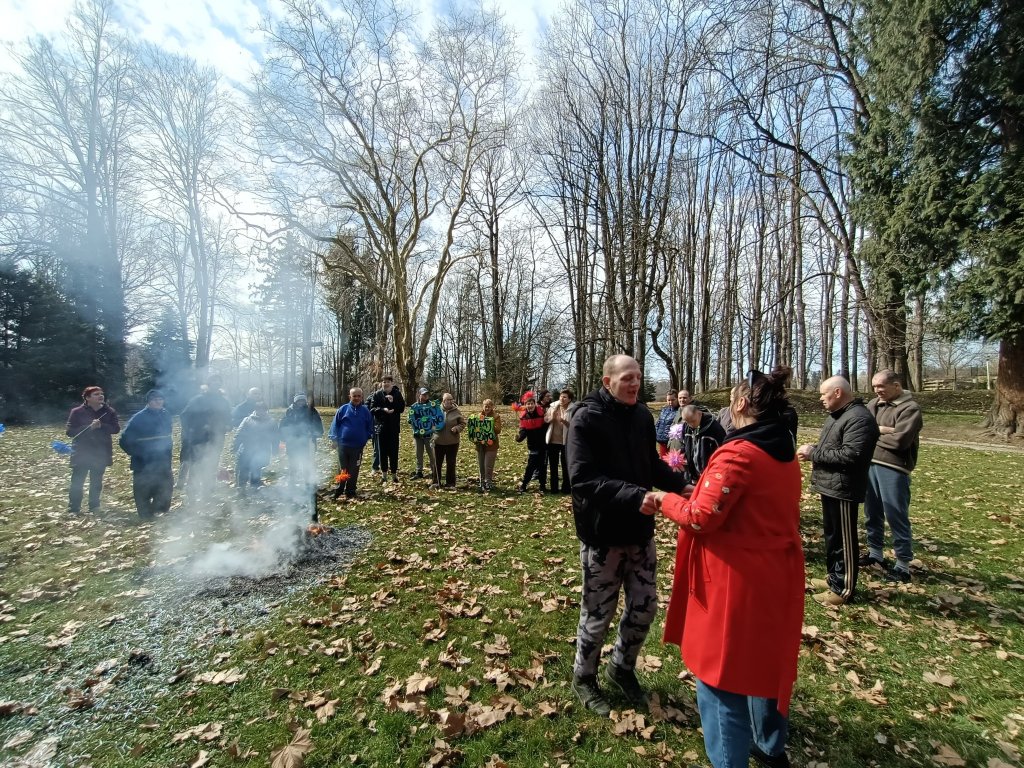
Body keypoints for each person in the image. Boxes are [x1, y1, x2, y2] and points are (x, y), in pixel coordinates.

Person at [650, 367, 804, 768]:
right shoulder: (782, 450)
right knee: (762, 662)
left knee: (719, 677)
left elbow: (701, 517)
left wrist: (664, 500)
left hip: (735, 579)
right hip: (774, 573)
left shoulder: (739, 453)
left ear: (741, 404)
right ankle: (770, 746)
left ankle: (728, 760)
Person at [565, 355, 687, 715]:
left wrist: (680, 485)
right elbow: (582, 479)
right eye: (626, 378)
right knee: (598, 613)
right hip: (603, 534)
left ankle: (621, 667)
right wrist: (635, 496)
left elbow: (650, 464)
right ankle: (584, 677)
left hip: (639, 531)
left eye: (638, 377)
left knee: (645, 606)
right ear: (607, 382)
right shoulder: (586, 417)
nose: (635, 384)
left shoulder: (642, 416)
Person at [797, 375, 879, 607]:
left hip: (843, 487)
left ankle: (843, 588)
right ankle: (833, 577)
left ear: (838, 393)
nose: (821, 398)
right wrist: (815, 449)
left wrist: (813, 453)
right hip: (830, 485)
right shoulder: (838, 416)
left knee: (844, 540)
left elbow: (851, 455)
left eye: (824, 394)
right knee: (833, 537)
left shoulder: (859, 418)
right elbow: (832, 447)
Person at [863, 370, 924, 583]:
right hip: (869, 464)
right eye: (874, 386)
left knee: (895, 514)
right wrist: (883, 430)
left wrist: (874, 433)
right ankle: (875, 554)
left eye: (881, 386)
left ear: (896, 386)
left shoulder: (910, 408)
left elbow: (900, 442)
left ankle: (903, 564)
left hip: (894, 467)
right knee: (872, 512)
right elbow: (862, 430)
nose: (877, 390)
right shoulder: (873, 404)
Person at [65, 386, 120, 515]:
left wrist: (102, 426)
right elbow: (70, 432)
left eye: (101, 393)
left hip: (100, 451)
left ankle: (94, 506)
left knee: (96, 481)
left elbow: (116, 429)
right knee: (77, 481)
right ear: (87, 398)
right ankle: (74, 508)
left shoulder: (109, 411)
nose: (101, 396)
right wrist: (88, 427)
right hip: (82, 452)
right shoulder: (77, 412)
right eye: (96, 394)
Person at [119, 390, 174, 520]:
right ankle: (145, 516)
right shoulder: (138, 418)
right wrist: (139, 453)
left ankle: (160, 512)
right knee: (143, 489)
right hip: (143, 462)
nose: (158, 402)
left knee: (165, 486)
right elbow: (124, 440)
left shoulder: (166, 415)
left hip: (163, 460)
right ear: (148, 402)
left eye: (160, 399)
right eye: (155, 399)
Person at [179, 375, 232, 499]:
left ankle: (207, 492)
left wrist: (228, 425)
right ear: (208, 384)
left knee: (212, 465)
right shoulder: (198, 400)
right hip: (199, 440)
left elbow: (228, 418)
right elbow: (184, 416)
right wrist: (193, 430)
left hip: (216, 440)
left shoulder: (223, 401)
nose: (216, 383)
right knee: (196, 466)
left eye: (218, 381)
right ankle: (192, 494)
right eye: (213, 381)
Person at [328, 387, 375, 500]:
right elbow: (335, 425)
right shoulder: (343, 409)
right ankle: (339, 489)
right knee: (343, 468)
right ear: (350, 397)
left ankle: (350, 490)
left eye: (359, 396)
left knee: (354, 469)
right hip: (343, 445)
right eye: (354, 396)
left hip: (357, 447)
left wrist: (366, 436)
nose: (357, 398)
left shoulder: (365, 411)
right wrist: (334, 439)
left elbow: (370, 426)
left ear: (362, 397)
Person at [279, 393, 325, 488]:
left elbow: (318, 425)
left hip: (308, 443)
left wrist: (314, 433)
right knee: (293, 464)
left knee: (307, 464)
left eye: (302, 401)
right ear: (295, 401)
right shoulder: (290, 411)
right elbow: (283, 425)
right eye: (298, 401)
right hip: (292, 443)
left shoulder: (311, 411)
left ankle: (309, 484)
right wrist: (285, 437)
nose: (301, 403)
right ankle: (292, 484)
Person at [233, 402, 279, 493]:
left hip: (262, 449)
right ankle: (241, 487)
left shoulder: (271, 422)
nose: (261, 411)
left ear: (266, 410)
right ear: (255, 410)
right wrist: (236, 445)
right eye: (259, 409)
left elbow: (275, 437)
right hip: (247, 449)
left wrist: (275, 448)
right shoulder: (247, 420)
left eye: (263, 409)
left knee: (256, 467)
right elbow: (239, 433)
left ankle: (254, 486)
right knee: (244, 468)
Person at [678, 404, 727, 486]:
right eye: (687, 421)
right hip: (692, 474)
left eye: (693, 421)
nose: (690, 424)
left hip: (709, 473)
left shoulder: (715, 428)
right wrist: (682, 453)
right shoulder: (686, 427)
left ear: (699, 414)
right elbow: (684, 444)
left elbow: (722, 451)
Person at [368, 375, 405, 482]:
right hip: (381, 428)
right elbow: (372, 409)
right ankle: (384, 475)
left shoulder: (397, 394)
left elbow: (401, 408)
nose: (386, 384)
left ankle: (394, 474)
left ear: (392, 383)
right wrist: (382, 409)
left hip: (393, 428)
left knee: (394, 452)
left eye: (388, 382)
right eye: (384, 382)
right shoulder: (377, 394)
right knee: (382, 452)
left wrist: (393, 402)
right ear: (381, 383)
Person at [514, 391, 547, 493]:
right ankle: (524, 484)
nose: (530, 406)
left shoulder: (541, 414)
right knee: (530, 466)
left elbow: (546, 427)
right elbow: (523, 432)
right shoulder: (524, 417)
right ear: (525, 405)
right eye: (528, 404)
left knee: (542, 466)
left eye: (532, 403)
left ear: (534, 404)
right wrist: (519, 438)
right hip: (532, 445)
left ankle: (542, 485)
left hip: (543, 445)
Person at [407, 388, 443, 479]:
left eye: (427, 394)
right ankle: (419, 472)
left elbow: (438, 417)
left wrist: (434, 428)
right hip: (418, 435)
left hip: (429, 435)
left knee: (432, 454)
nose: (425, 396)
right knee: (418, 454)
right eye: (423, 394)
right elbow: (410, 418)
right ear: (419, 395)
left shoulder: (432, 405)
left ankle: (434, 472)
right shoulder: (414, 407)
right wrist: (412, 420)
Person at [431, 393, 466, 488]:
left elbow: (462, 423)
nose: (450, 401)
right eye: (448, 399)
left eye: (451, 399)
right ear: (443, 401)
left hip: (452, 442)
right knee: (437, 463)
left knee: (451, 463)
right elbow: (431, 422)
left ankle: (450, 483)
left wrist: (457, 428)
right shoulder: (436, 410)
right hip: (438, 442)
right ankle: (436, 482)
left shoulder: (456, 411)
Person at [468, 398, 502, 491]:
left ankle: (488, 481)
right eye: (485, 406)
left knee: (488, 465)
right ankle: (482, 481)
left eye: (489, 406)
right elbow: (475, 428)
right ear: (482, 406)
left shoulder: (496, 416)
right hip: (480, 444)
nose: (487, 408)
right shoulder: (478, 416)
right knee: (481, 464)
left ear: (492, 407)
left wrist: (489, 423)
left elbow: (498, 430)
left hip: (492, 445)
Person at [544, 388, 574, 494]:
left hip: (566, 441)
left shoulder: (573, 409)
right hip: (553, 440)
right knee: (553, 465)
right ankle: (554, 488)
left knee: (566, 466)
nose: (562, 398)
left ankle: (566, 488)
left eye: (565, 397)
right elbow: (546, 420)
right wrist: (551, 418)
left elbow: (575, 426)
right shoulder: (553, 406)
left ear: (569, 399)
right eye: (561, 396)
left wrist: (564, 421)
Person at [654, 389, 679, 457]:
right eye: (668, 400)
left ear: (677, 399)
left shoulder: (679, 411)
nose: (670, 402)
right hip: (661, 441)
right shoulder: (664, 410)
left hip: (672, 443)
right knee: (663, 461)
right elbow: (658, 423)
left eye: (673, 400)